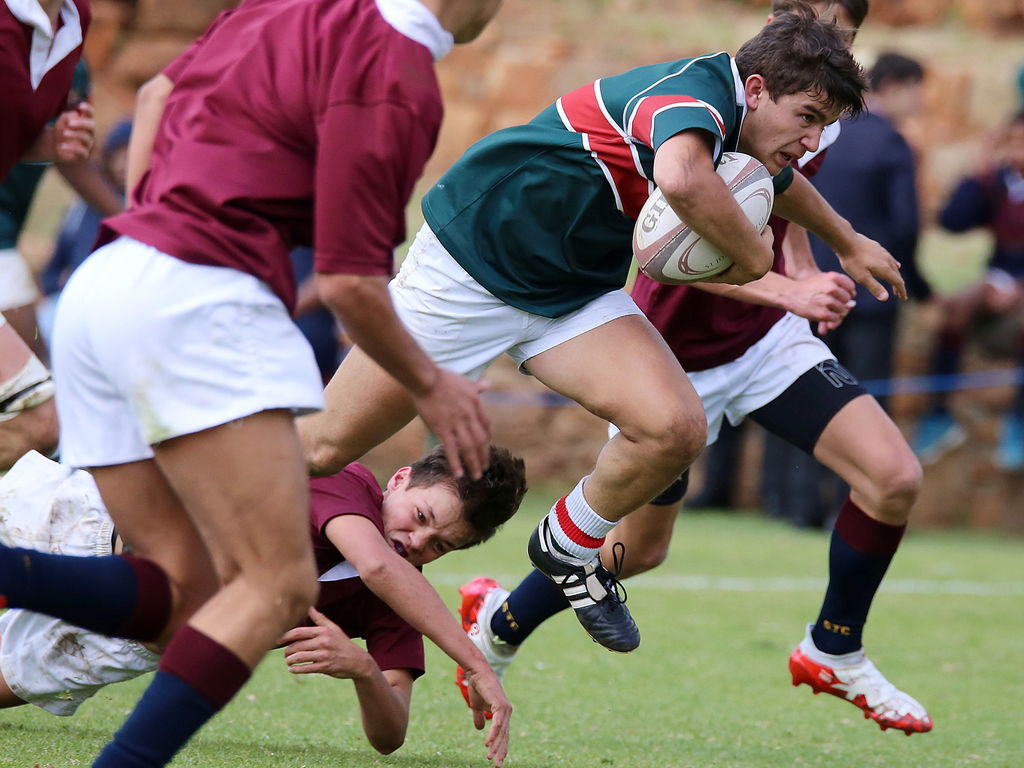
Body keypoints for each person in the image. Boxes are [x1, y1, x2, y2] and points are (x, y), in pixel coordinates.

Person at [299, 5, 900, 663]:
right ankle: (172, 564)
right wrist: (759, 262)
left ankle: (568, 543)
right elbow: (679, 177)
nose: (813, 142)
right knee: (319, 450)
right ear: (755, 90)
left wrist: (851, 241)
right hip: (468, 272)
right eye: (807, 120)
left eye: (823, 127)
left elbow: (779, 184)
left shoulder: (740, 124)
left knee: (675, 427)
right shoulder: (690, 96)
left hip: (571, 292)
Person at [0, 2, 513, 767]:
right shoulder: (400, 73)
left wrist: (150, 231)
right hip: (208, 301)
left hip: (111, 280)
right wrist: (431, 382)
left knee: (180, 599)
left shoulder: (288, 8)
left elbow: (152, 98)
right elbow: (348, 282)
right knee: (274, 584)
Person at [452, 0, 933, 737]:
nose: (826, 38)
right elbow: (667, 246)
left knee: (893, 476)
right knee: (638, 552)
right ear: (778, 23)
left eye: (841, 29)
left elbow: (781, 202)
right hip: (672, 354)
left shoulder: (814, 115)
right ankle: (499, 619)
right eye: (812, 20)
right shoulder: (709, 106)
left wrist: (822, 262)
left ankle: (833, 648)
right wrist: (785, 281)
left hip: (769, 341)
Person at [0, 444, 526, 757]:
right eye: (421, 517)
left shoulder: (401, 602)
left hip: (131, 641)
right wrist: (477, 663)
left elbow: (391, 736)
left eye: (440, 546)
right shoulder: (348, 479)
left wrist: (364, 669)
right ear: (400, 479)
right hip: (90, 528)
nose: (416, 542)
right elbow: (377, 564)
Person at [763, 50, 931, 526]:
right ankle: (850, 508)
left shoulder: (819, 136)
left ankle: (788, 504)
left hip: (804, 286)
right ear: (896, 84)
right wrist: (914, 286)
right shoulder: (893, 143)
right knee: (865, 399)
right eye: (918, 89)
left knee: (795, 391)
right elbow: (906, 226)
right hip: (870, 294)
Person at [912, 111, 1024, 470]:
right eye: (1015, 141)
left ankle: (1018, 423)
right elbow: (952, 221)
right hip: (994, 278)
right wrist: (982, 171)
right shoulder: (996, 183)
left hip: (1017, 284)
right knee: (955, 308)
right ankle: (939, 412)